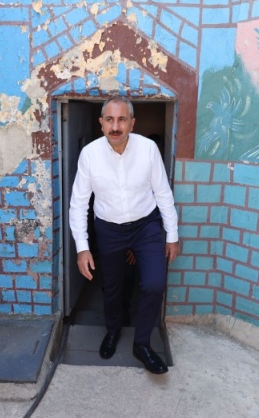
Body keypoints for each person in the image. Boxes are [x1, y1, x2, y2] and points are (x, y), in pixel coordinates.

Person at [69, 96, 179, 374]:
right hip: (109, 229)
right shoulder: (90, 154)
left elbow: (163, 193)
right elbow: (79, 203)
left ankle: (141, 343)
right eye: (109, 120)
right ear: (101, 123)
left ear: (132, 123)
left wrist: (172, 235)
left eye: (121, 120)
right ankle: (113, 330)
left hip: (146, 226)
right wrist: (82, 247)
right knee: (112, 286)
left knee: (154, 283)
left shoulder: (148, 149)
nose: (115, 126)